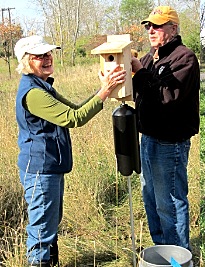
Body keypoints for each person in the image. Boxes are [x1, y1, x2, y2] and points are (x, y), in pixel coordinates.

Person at [14, 35, 126, 267]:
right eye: (39, 56)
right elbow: (74, 118)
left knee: (50, 223)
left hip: (49, 167)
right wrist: (105, 92)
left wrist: (102, 90)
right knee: (42, 229)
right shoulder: (33, 93)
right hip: (40, 169)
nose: (47, 59)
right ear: (26, 61)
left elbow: (75, 108)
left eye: (48, 53)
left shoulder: (43, 87)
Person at [130, 6, 200, 250]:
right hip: (148, 138)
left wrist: (139, 72)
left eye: (158, 25)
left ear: (173, 28)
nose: (151, 30)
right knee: (150, 198)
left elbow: (167, 95)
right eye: (149, 25)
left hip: (170, 143)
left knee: (169, 201)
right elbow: (142, 91)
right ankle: (161, 248)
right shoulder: (151, 57)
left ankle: (178, 255)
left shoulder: (184, 57)